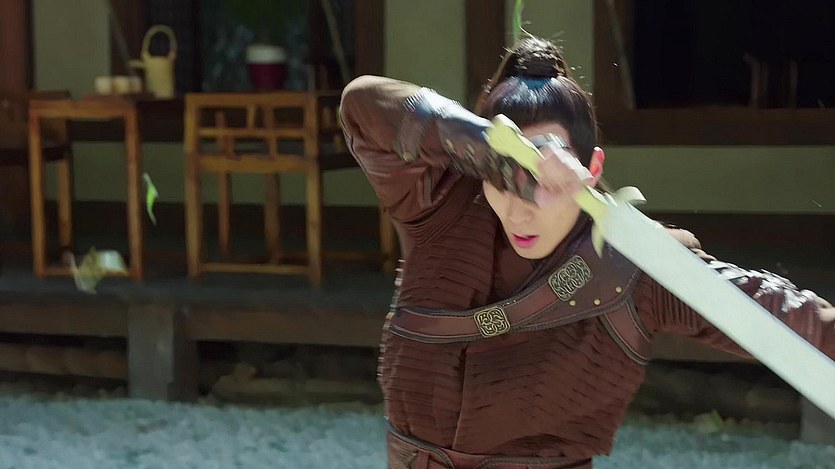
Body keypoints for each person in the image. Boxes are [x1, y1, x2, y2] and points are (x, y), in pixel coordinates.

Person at [339, 36, 835, 469]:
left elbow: (788, 318)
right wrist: (491, 148)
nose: (520, 209)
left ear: (592, 168)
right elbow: (361, 105)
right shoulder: (439, 207)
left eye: (543, 184)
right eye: (507, 182)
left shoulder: (634, 262)